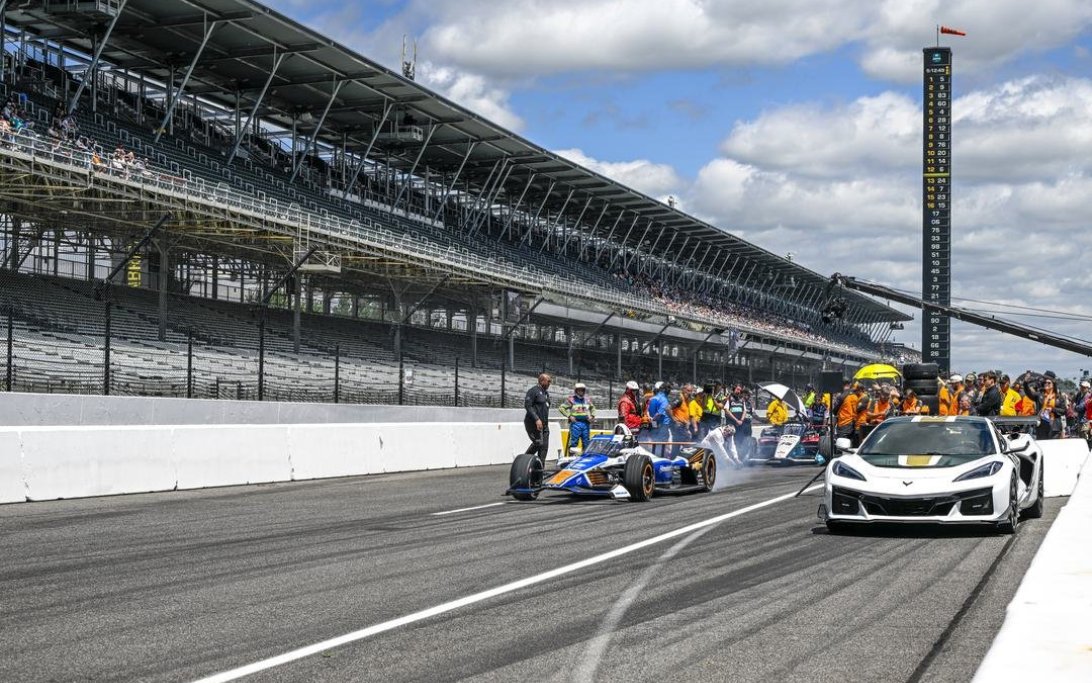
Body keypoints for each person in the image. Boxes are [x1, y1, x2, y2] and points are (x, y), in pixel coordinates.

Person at [1023, 371, 1067, 440]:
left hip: (1054, 428)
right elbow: (1029, 394)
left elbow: (1064, 411)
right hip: (1042, 426)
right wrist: (1025, 383)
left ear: (1053, 384)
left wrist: (1052, 409)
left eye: (1049, 383)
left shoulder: (1058, 397)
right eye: (1045, 382)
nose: (1046, 384)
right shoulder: (1040, 395)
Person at [559, 382, 596, 456]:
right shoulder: (572, 400)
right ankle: (571, 459)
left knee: (586, 442)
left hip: (586, 423)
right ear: (576, 391)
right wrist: (569, 416)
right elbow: (561, 408)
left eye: (582, 390)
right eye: (579, 390)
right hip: (576, 423)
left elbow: (593, 408)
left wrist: (592, 416)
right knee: (573, 442)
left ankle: (585, 459)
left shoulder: (587, 400)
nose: (581, 392)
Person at [523, 373, 552, 464]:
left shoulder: (546, 393)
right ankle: (523, 461)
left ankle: (540, 471)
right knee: (538, 443)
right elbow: (528, 406)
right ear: (542, 381)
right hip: (534, 423)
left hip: (545, 425)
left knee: (544, 448)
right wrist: (536, 419)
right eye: (548, 381)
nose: (550, 383)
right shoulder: (533, 391)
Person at [644, 382, 671, 456]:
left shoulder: (653, 398)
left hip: (654, 423)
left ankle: (654, 456)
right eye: (668, 388)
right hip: (662, 424)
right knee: (663, 444)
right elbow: (659, 413)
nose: (669, 390)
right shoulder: (663, 399)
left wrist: (652, 421)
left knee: (654, 440)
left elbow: (649, 412)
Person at [725, 384, 751, 459]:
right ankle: (730, 458)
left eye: (740, 390)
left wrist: (741, 420)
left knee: (740, 441)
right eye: (737, 389)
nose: (739, 391)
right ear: (733, 390)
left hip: (740, 424)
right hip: (731, 424)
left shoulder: (742, 400)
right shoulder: (729, 399)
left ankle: (739, 457)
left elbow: (745, 411)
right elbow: (727, 411)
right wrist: (736, 420)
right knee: (730, 442)